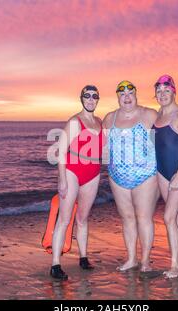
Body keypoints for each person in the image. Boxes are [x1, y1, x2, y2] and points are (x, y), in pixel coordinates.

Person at [103, 80, 159, 272]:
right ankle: (131, 259)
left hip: (146, 174)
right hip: (117, 176)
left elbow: (166, 138)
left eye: (130, 94)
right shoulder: (109, 118)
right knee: (127, 217)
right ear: (118, 97)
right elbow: (104, 147)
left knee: (144, 217)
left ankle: (145, 261)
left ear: (135, 95)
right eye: (122, 95)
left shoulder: (149, 114)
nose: (126, 98)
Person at [51, 85, 104, 280]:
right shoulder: (74, 121)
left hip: (93, 173)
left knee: (83, 218)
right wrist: (63, 179)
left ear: (98, 99)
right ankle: (55, 265)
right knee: (65, 219)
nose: (91, 99)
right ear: (81, 99)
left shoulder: (99, 122)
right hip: (73, 172)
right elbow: (61, 152)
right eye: (87, 96)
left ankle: (83, 258)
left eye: (94, 96)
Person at [152, 75, 178, 278]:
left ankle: (174, 265)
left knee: (168, 217)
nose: (162, 94)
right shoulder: (158, 115)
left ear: (174, 91)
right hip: (161, 171)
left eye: (166, 90)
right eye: (159, 91)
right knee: (176, 216)